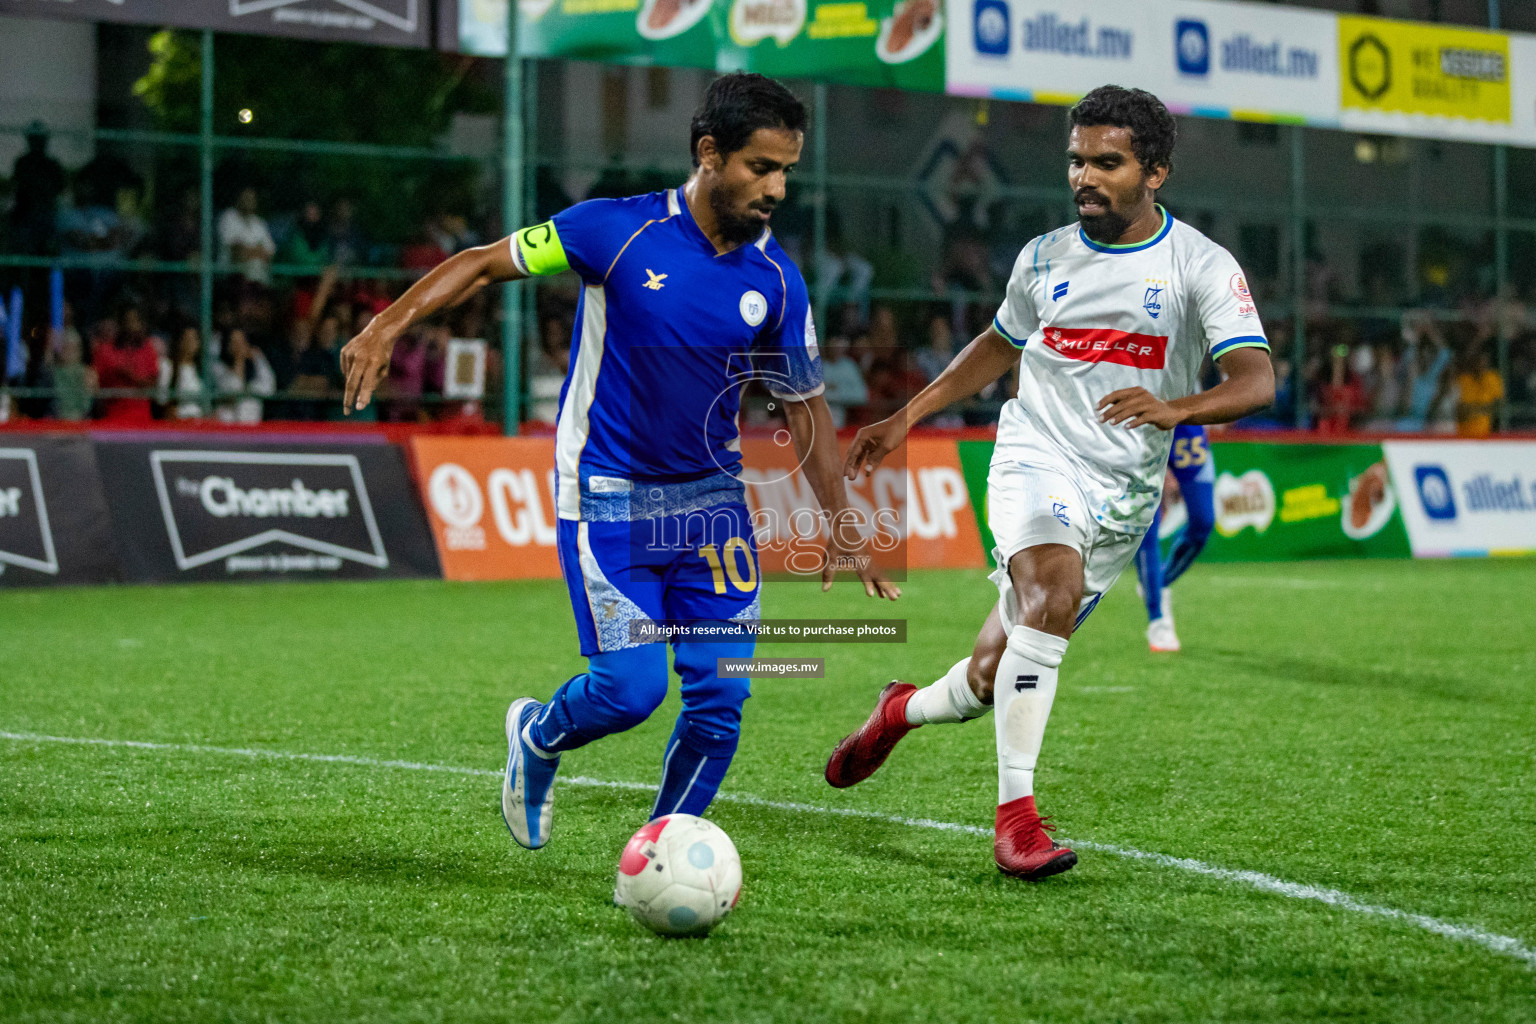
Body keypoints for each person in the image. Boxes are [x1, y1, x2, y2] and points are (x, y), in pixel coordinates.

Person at [339, 72, 898, 852]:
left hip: (714, 508)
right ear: (709, 153)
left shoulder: (777, 280)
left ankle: (660, 850)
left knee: (719, 703)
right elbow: (480, 261)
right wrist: (386, 325)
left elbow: (801, 404)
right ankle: (537, 737)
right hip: (609, 497)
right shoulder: (614, 230)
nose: (776, 189)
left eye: (785, 172)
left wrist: (839, 517)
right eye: (760, 167)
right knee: (629, 693)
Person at [823, 86, 1274, 881]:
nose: (1084, 177)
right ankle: (1017, 820)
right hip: (1036, 455)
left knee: (992, 679)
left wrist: (1176, 407)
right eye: (1076, 160)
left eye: (1108, 162)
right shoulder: (1043, 257)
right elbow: (997, 347)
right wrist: (908, 415)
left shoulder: (1201, 265)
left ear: (1156, 171)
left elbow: (1255, 380)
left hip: (1124, 495)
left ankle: (899, 709)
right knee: (1050, 590)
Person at [1132, 424, 1216, 653]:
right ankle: (1158, 620)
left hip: (1185, 420)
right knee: (1146, 522)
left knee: (1203, 522)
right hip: (1143, 422)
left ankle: (1160, 581)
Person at [9, 121, 65, 256]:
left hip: (47, 214)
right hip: (24, 214)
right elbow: (18, 188)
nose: (37, 143)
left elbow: (60, 188)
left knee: (49, 251)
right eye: (34, 139)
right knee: (24, 251)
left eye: (40, 139)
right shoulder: (23, 163)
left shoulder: (52, 165)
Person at [219, 187, 276, 284]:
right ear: (239, 199)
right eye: (246, 198)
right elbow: (236, 252)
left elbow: (270, 253)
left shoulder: (259, 222)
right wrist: (258, 250)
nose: (249, 201)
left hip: (258, 276)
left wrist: (249, 251)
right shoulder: (228, 217)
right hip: (232, 274)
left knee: (258, 266)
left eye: (252, 198)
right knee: (255, 265)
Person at [1455, 348, 1503, 438]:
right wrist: (1484, 408)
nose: (1481, 365)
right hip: (1463, 435)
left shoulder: (1492, 378)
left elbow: (1499, 405)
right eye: (1477, 362)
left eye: (1484, 362)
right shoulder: (1463, 380)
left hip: (1485, 434)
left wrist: (1473, 410)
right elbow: (1460, 411)